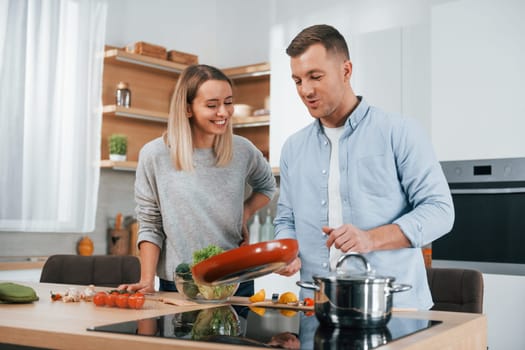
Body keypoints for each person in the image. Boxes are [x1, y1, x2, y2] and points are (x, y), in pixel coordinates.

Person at [274, 24, 454, 309]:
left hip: (395, 310)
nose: (305, 90)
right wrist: (284, 250)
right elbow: (286, 219)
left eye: (315, 76)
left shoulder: (400, 132)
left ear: (346, 71)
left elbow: (441, 211)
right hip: (316, 308)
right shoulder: (293, 148)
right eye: (297, 80)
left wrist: (371, 238)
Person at [120, 64, 276, 297]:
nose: (223, 112)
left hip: (235, 280)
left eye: (228, 102)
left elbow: (267, 186)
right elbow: (150, 223)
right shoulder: (155, 154)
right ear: (187, 109)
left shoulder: (242, 150)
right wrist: (146, 280)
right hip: (181, 283)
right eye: (212, 105)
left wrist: (243, 212)